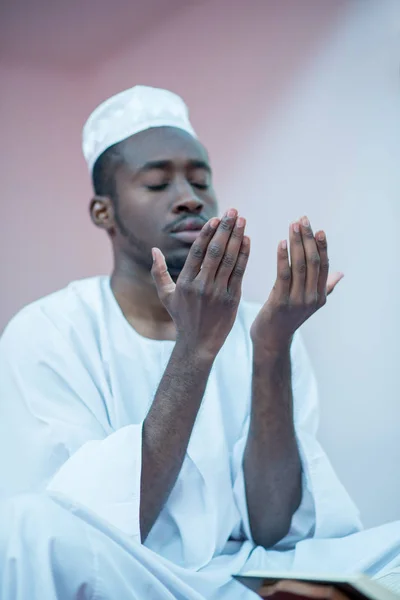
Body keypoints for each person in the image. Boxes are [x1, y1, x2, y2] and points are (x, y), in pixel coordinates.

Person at [0, 85, 399, 600]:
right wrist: (196, 347)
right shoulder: (49, 331)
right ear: (104, 213)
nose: (189, 196)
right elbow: (96, 527)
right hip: (135, 576)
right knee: (28, 530)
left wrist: (272, 350)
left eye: (200, 179)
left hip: (246, 572)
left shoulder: (261, 326)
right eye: (158, 181)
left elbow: (274, 529)